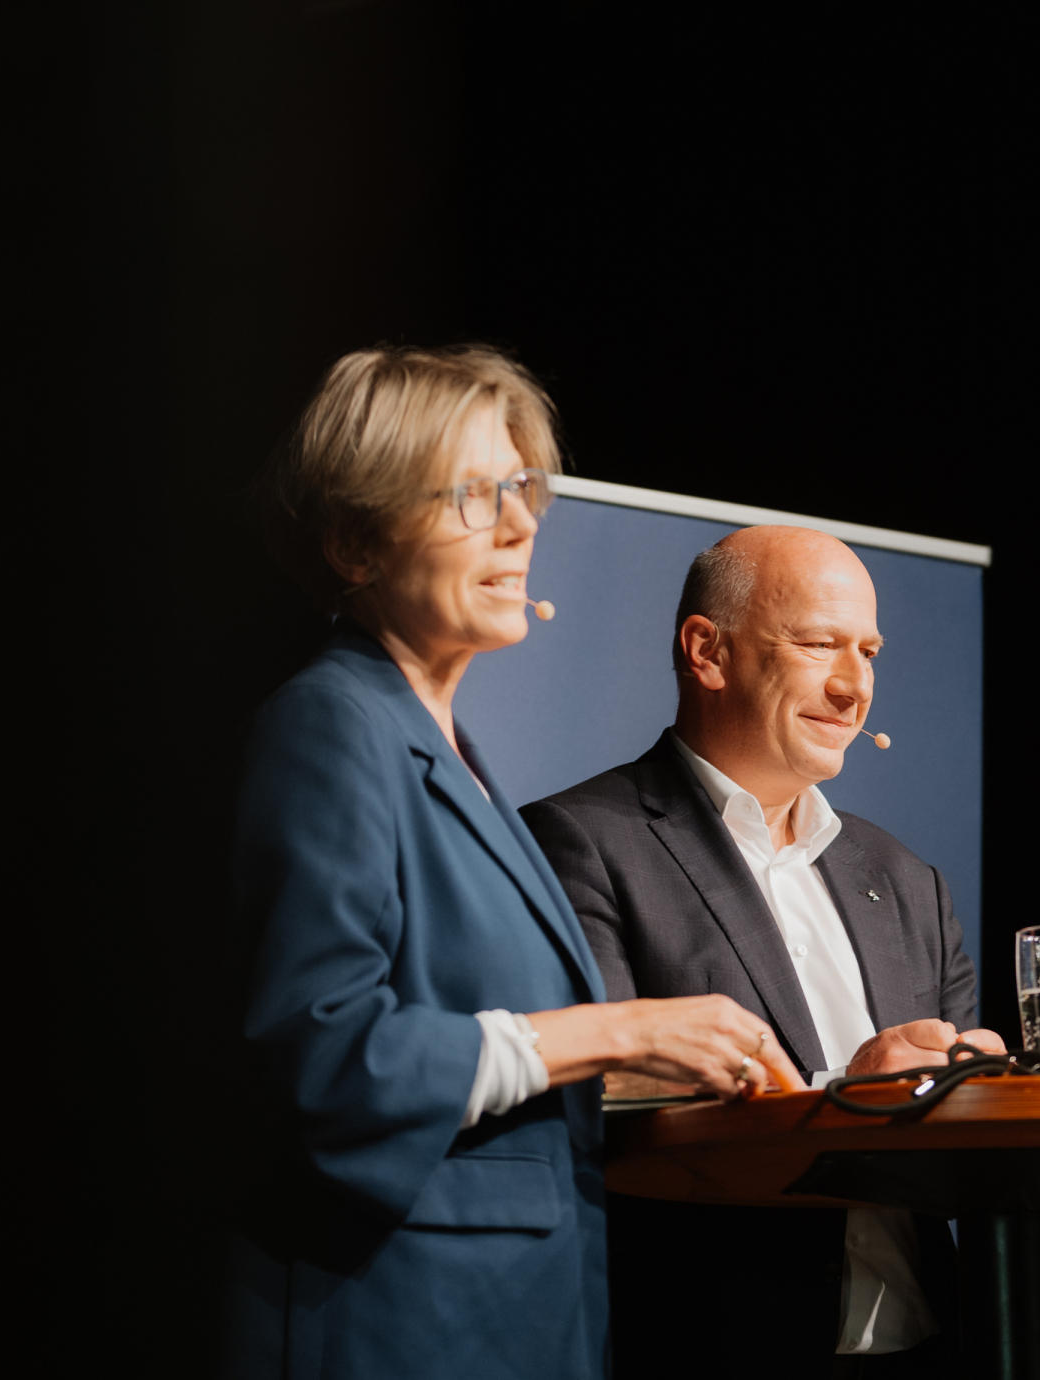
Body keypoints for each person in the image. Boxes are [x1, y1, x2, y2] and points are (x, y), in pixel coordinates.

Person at [222, 346, 805, 1380]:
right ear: (357, 541)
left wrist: (730, 1071)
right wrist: (618, 1026)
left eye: (525, 490)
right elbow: (324, 1061)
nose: (521, 525)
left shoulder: (449, 753)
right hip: (396, 1328)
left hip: (519, 1321)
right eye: (472, 495)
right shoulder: (328, 728)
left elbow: (508, 1067)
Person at [520, 526, 1005, 1378]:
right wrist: (849, 1098)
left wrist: (976, 1089)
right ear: (707, 651)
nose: (855, 687)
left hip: (932, 1349)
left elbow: (959, 1153)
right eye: (820, 644)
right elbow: (600, 1111)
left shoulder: (906, 879)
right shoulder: (580, 844)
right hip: (717, 1344)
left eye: (870, 651)